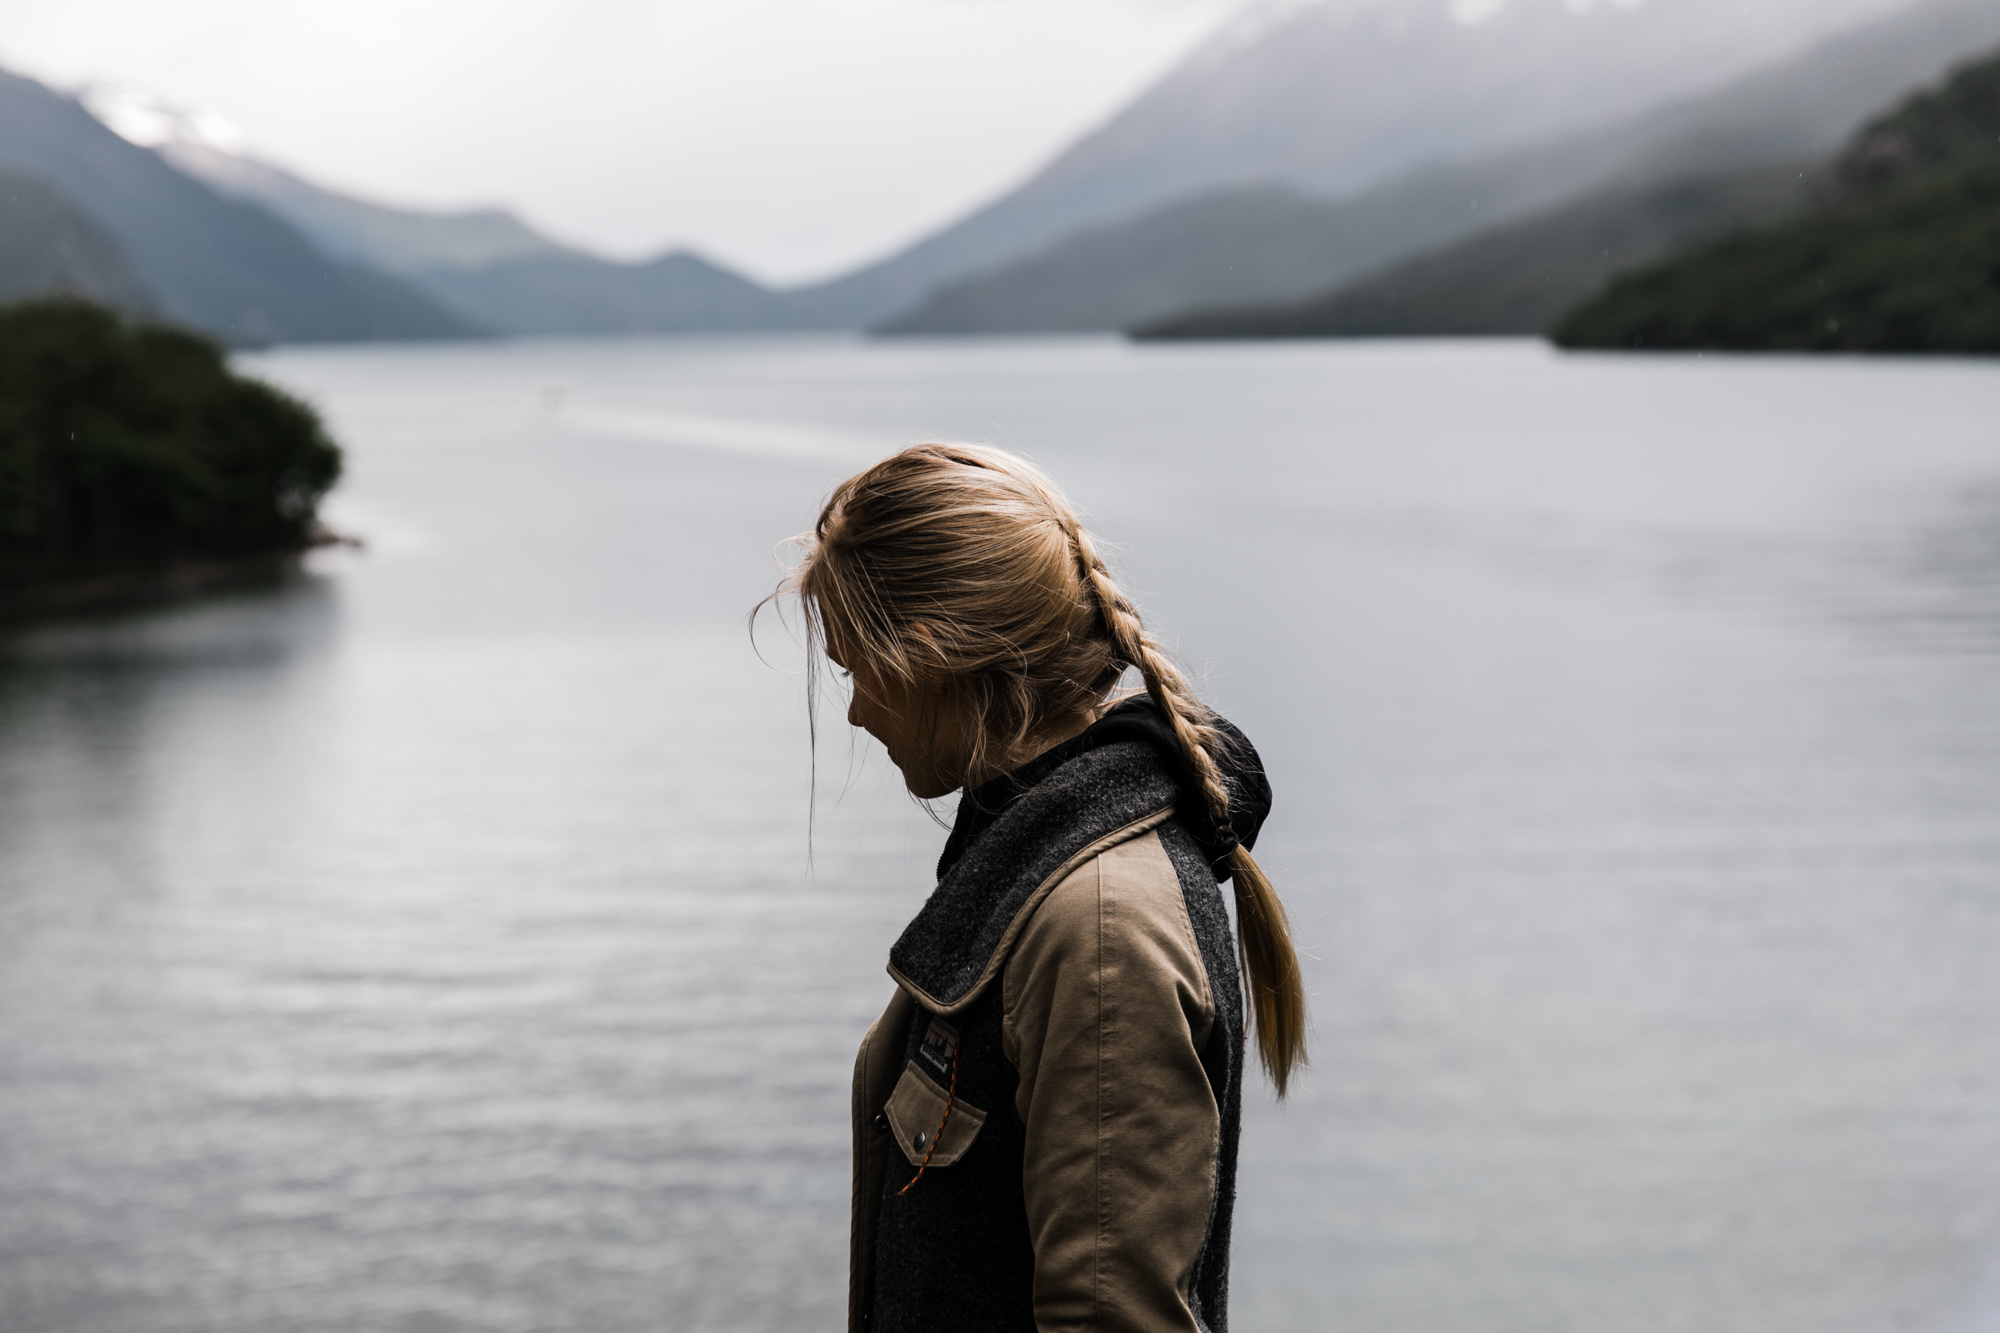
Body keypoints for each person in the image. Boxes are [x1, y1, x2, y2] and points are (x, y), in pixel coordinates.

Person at [778, 442, 1306, 1333]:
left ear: (932, 652)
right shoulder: (1038, 864)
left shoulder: (1097, 928)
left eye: (854, 669)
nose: (859, 710)